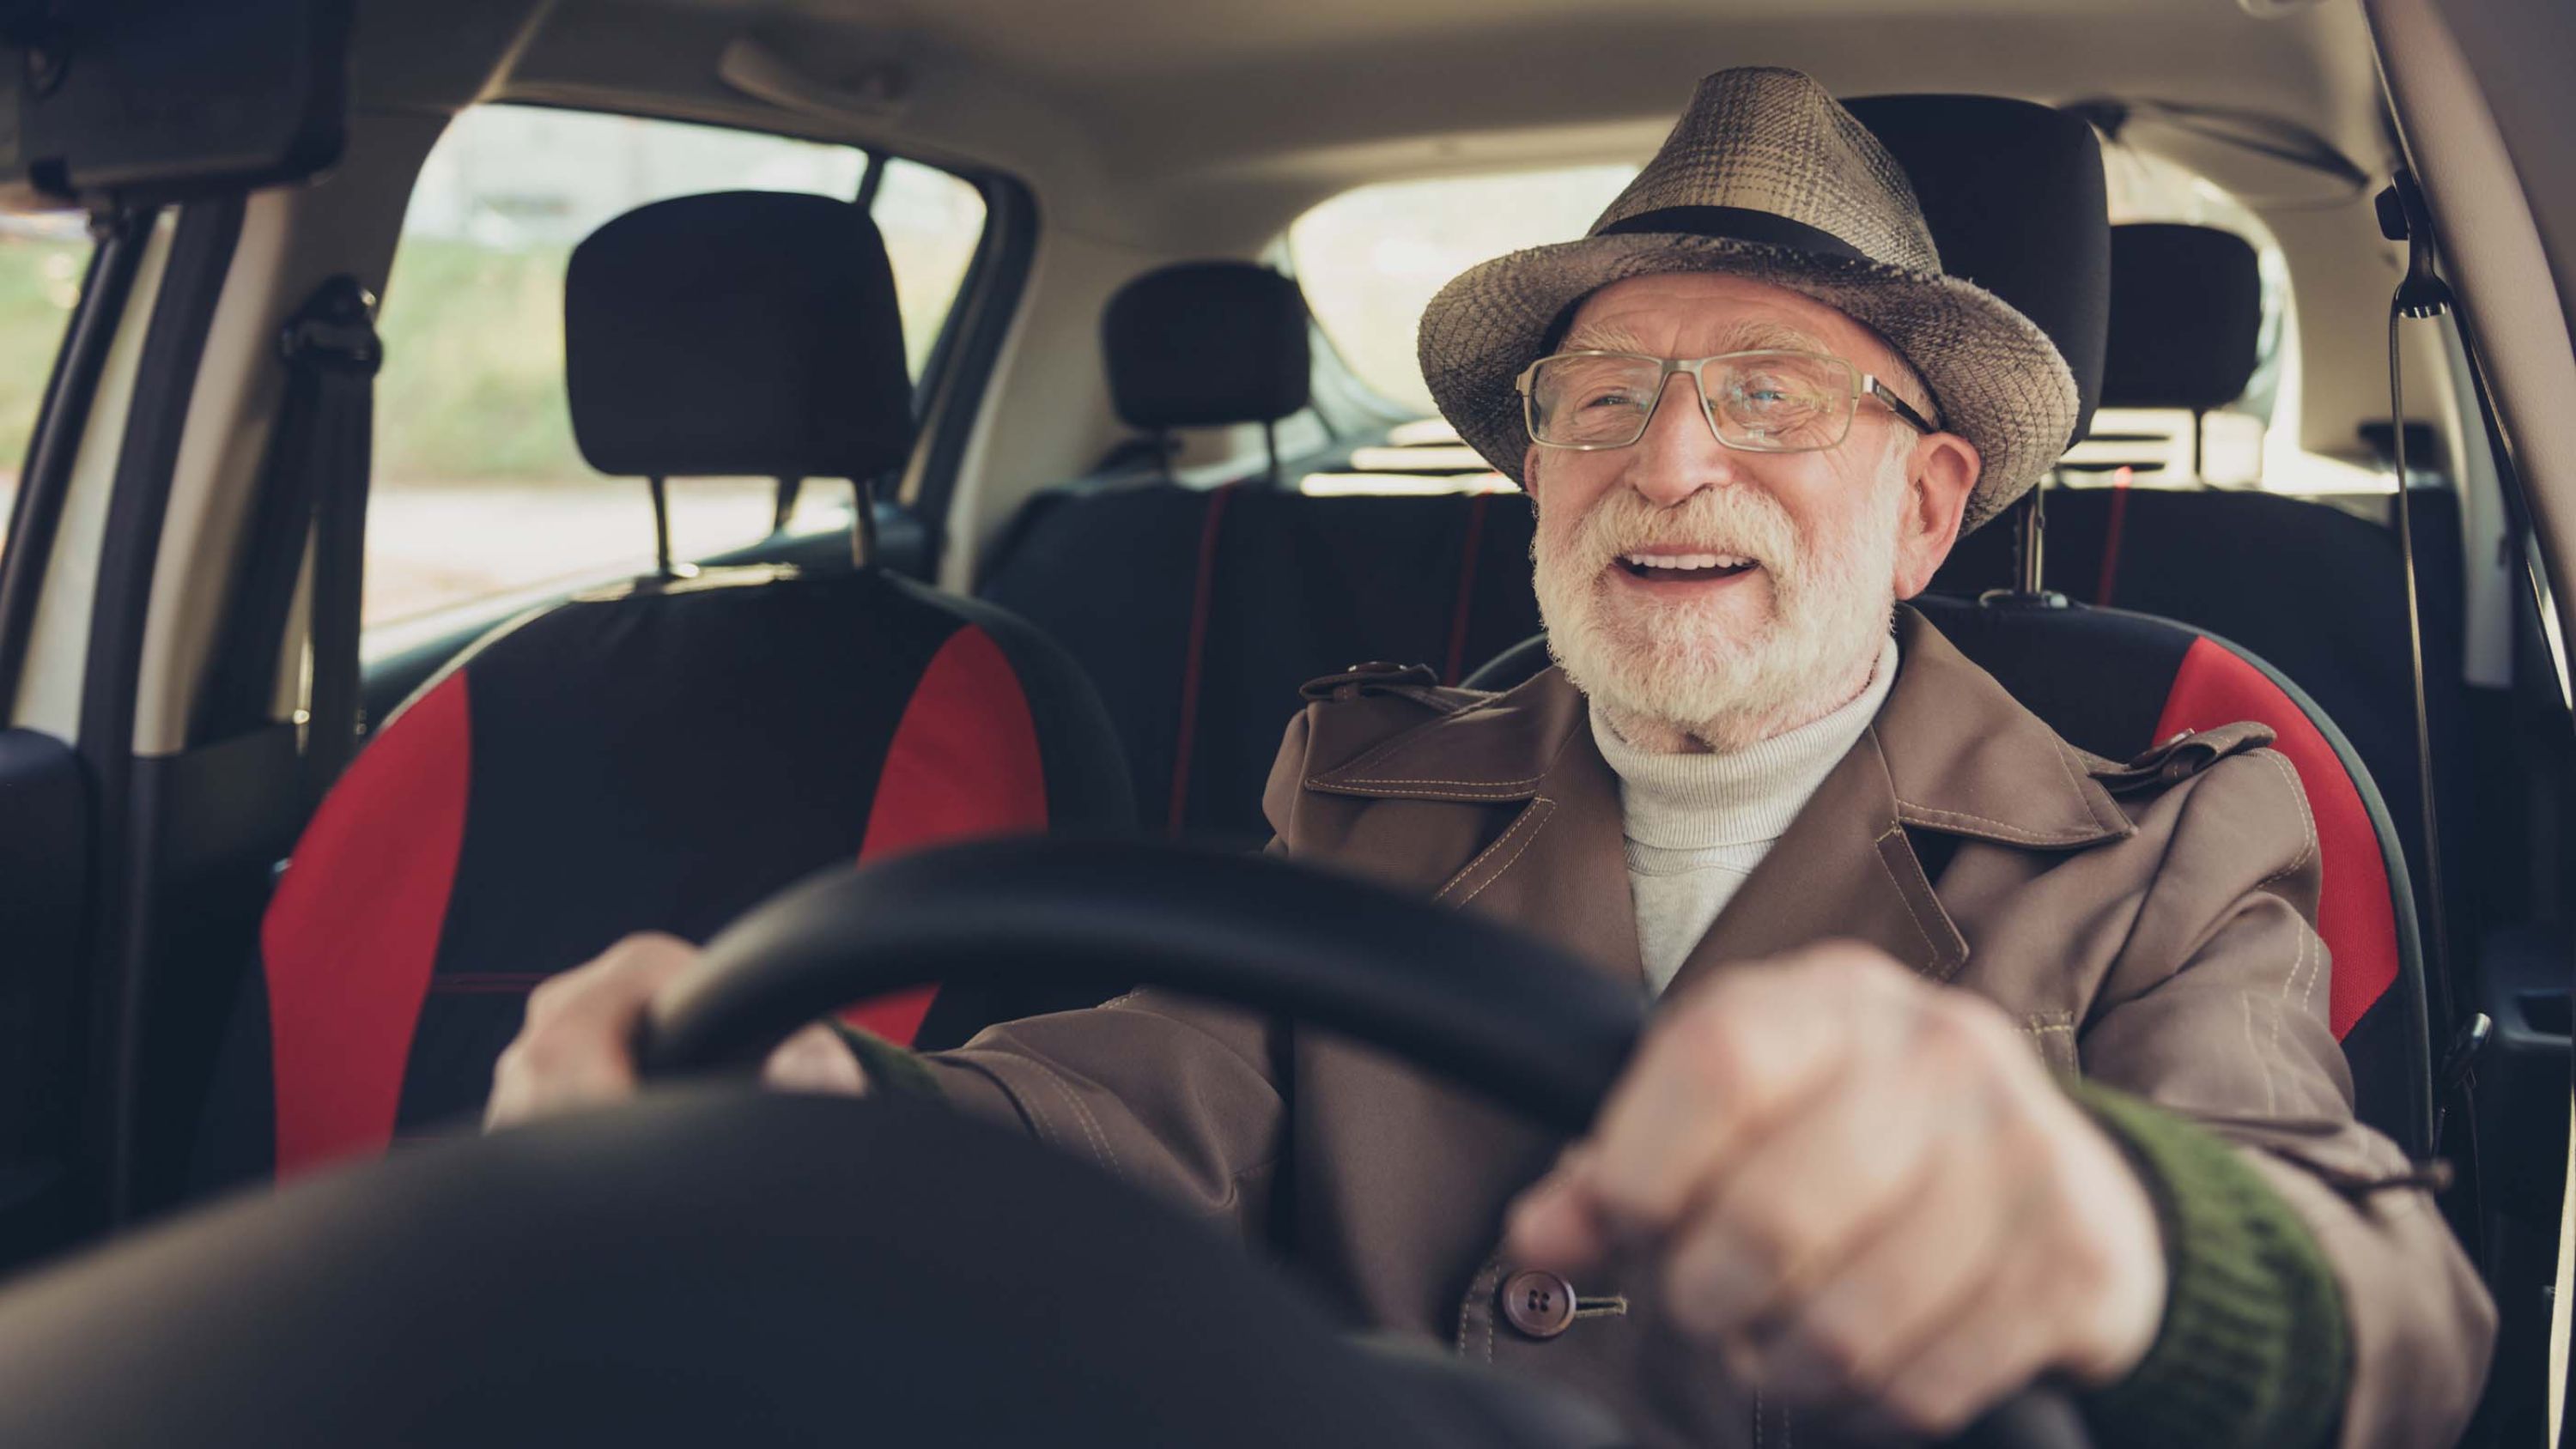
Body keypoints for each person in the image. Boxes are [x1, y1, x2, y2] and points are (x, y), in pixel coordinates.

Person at [484, 68, 2493, 1448]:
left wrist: (2118, 1224)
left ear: (1927, 506)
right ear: (1538, 472)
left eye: (1772, 391)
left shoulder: (2168, 829)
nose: (1670, 456)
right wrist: (832, 1102)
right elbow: (1146, 1096)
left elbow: (2399, 1307)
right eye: (1602, 393)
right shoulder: (1360, 772)